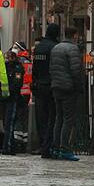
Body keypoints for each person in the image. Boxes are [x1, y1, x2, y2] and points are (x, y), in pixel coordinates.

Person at [50, 26, 83, 161]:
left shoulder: (56, 48)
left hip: (57, 87)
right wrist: (79, 87)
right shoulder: (73, 49)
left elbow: (52, 68)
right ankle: (64, 149)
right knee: (68, 119)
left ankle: (55, 147)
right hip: (68, 88)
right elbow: (76, 71)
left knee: (59, 118)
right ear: (74, 35)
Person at [32, 23, 60, 158]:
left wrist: (34, 83)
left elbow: (35, 68)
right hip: (51, 85)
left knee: (41, 116)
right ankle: (49, 145)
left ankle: (42, 143)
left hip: (39, 86)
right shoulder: (55, 47)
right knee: (52, 116)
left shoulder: (39, 48)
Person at [0, 45, 26, 155]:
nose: (7, 59)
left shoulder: (18, 68)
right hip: (3, 98)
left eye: (9, 57)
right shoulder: (4, 67)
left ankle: (8, 147)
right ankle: (7, 146)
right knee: (6, 123)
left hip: (12, 98)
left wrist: (8, 92)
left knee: (10, 123)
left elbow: (17, 84)